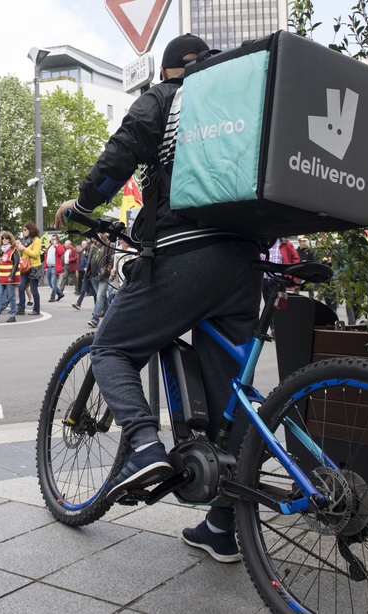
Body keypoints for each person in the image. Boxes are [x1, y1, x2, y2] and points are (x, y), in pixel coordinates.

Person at [54, 33, 263, 563]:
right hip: (243, 262)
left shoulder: (167, 98)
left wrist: (81, 206)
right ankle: (223, 525)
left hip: (185, 254)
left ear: (168, 69)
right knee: (230, 401)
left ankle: (144, 445)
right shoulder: (237, 101)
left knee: (110, 348)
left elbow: (120, 153)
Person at [16, 221, 42, 316]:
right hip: (25, 267)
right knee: (21, 286)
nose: (23, 231)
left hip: (34, 266)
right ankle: (21, 308)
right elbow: (23, 255)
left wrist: (24, 249)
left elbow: (35, 254)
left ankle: (36, 309)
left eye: (25, 229)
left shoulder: (37, 240)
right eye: (23, 230)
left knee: (33, 289)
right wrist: (19, 250)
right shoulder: (25, 241)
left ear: (30, 230)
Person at [44, 234, 65, 302]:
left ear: (57, 240)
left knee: (53, 283)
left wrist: (56, 245)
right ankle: (60, 293)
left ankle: (52, 297)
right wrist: (45, 266)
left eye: (54, 239)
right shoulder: (49, 247)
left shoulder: (59, 246)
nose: (52, 240)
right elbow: (46, 257)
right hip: (49, 267)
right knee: (50, 283)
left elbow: (61, 252)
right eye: (52, 239)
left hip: (55, 267)